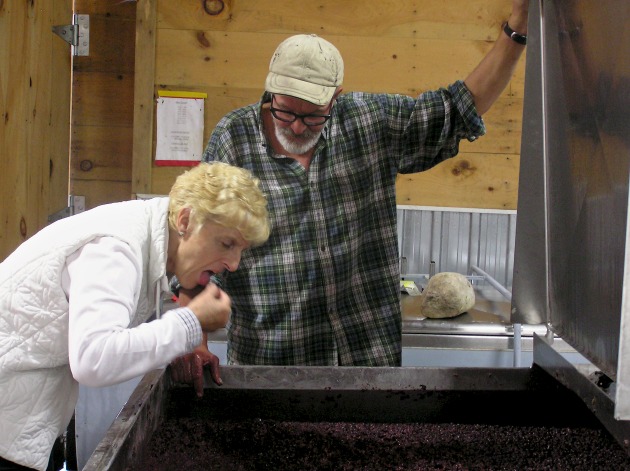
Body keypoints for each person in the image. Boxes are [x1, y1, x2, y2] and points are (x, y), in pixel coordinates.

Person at [172, 0, 529, 388]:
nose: (296, 126)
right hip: (271, 370)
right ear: (270, 90)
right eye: (285, 110)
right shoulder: (233, 140)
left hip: (367, 368)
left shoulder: (369, 122)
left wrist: (517, 30)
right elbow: (195, 254)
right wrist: (194, 339)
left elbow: (458, 109)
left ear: (336, 97)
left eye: (313, 115)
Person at [0, 162, 270, 471]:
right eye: (227, 243)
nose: (233, 264)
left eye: (241, 250)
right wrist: (189, 324)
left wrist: (174, 343)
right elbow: (92, 359)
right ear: (185, 220)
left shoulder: (144, 235)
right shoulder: (117, 248)